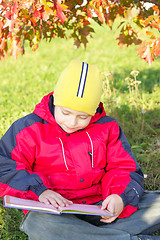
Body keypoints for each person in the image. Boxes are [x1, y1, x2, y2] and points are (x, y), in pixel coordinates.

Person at [0, 59, 160, 240]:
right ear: (55, 101)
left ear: (94, 111)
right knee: (38, 224)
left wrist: (120, 197)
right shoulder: (29, 128)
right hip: (56, 212)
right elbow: (5, 167)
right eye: (65, 113)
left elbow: (124, 168)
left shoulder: (108, 128)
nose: (72, 122)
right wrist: (40, 191)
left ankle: (91, 236)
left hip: (102, 208)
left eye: (83, 117)